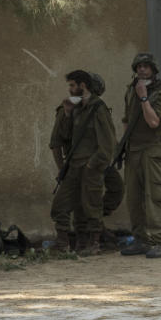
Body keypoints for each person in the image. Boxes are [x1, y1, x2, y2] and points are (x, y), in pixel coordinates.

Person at [48, 70, 116, 255]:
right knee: (60, 205)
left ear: (82, 86)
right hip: (73, 166)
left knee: (91, 205)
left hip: (90, 166)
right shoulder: (71, 107)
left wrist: (93, 164)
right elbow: (62, 137)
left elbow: (108, 142)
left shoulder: (98, 108)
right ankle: (63, 243)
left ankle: (93, 243)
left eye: (72, 85)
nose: (70, 89)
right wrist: (68, 114)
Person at [120, 52, 161, 259]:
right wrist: (123, 145)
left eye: (146, 66)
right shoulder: (130, 91)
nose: (142, 69)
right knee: (134, 199)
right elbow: (126, 120)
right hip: (133, 150)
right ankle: (141, 240)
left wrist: (143, 97)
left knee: (156, 198)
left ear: (153, 69)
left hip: (152, 151)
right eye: (139, 66)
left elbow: (154, 122)